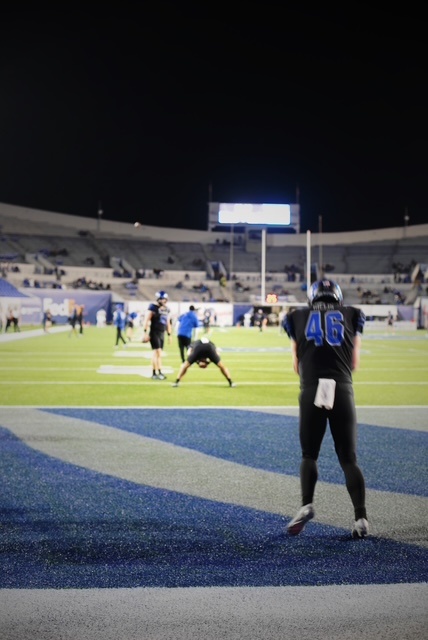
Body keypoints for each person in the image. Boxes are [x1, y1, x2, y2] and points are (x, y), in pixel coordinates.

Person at [283, 279, 369, 539]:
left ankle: (306, 504)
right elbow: (354, 362)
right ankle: (361, 518)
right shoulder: (352, 314)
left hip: (311, 389)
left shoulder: (296, 316)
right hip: (341, 387)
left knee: (309, 454)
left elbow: (296, 364)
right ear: (338, 297)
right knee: (348, 459)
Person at [142, 290, 172, 380]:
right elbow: (146, 320)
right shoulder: (153, 308)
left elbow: (167, 322)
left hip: (161, 333)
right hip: (154, 332)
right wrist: (145, 332)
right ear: (158, 299)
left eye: (165, 299)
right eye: (162, 299)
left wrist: (169, 334)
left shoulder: (166, 309)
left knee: (159, 354)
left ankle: (159, 371)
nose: (164, 301)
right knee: (157, 352)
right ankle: (154, 372)